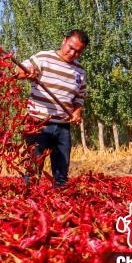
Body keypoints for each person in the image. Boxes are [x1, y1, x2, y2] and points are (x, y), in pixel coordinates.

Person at [16, 30, 89, 187]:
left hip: (63, 126)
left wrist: (77, 111)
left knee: (61, 174)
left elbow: (79, 97)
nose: (72, 53)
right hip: (38, 123)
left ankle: (59, 204)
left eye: (78, 51)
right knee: (34, 170)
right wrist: (28, 72)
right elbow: (19, 71)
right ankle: (29, 204)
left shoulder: (80, 71)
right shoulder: (44, 58)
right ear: (64, 41)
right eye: (70, 47)